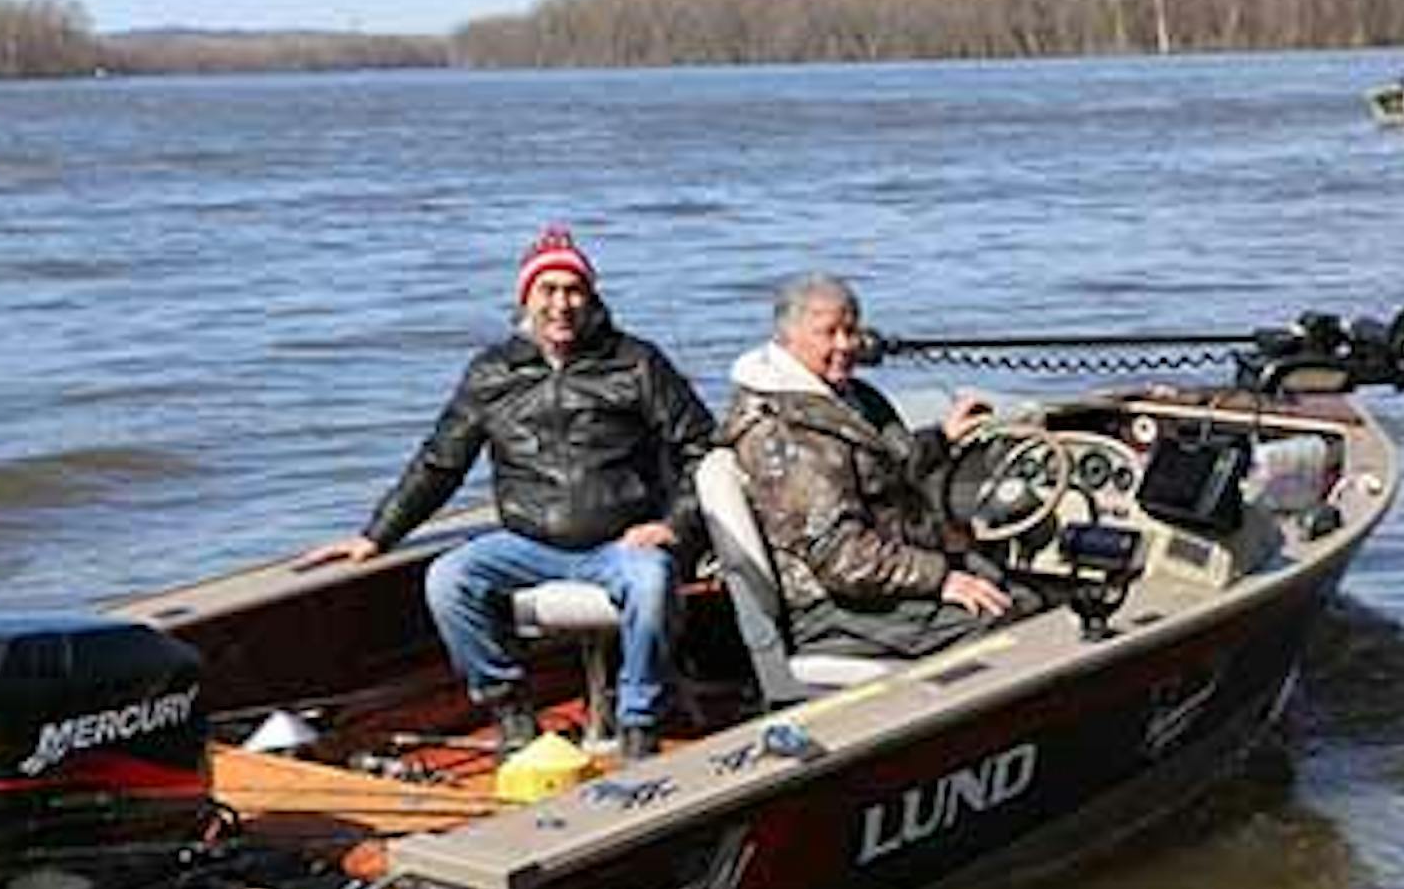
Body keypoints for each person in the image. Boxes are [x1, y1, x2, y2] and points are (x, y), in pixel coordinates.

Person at [300, 226, 716, 762]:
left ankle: (639, 722)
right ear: (525, 298)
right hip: (528, 543)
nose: (561, 304)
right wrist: (374, 536)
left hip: (621, 543)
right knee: (449, 579)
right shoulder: (491, 372)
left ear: (592, 298)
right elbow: (440, 462)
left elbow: (704, 448)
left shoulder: (637, 362)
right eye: (548, 291)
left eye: (574, 291)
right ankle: (511, 708)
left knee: (654, 583)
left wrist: (674, 525)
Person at [718, 271, 1018, 661]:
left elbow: (887, 471)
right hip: (830, 607)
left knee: (1022, 588)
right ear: (787, 338)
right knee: (994, 618)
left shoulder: (850, 397)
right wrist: (939, 578)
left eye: (851, 331)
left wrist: (941, 439)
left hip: (887, 575)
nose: (845, 346)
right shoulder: (782, 430)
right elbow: (842, 557)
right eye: (829, 333)